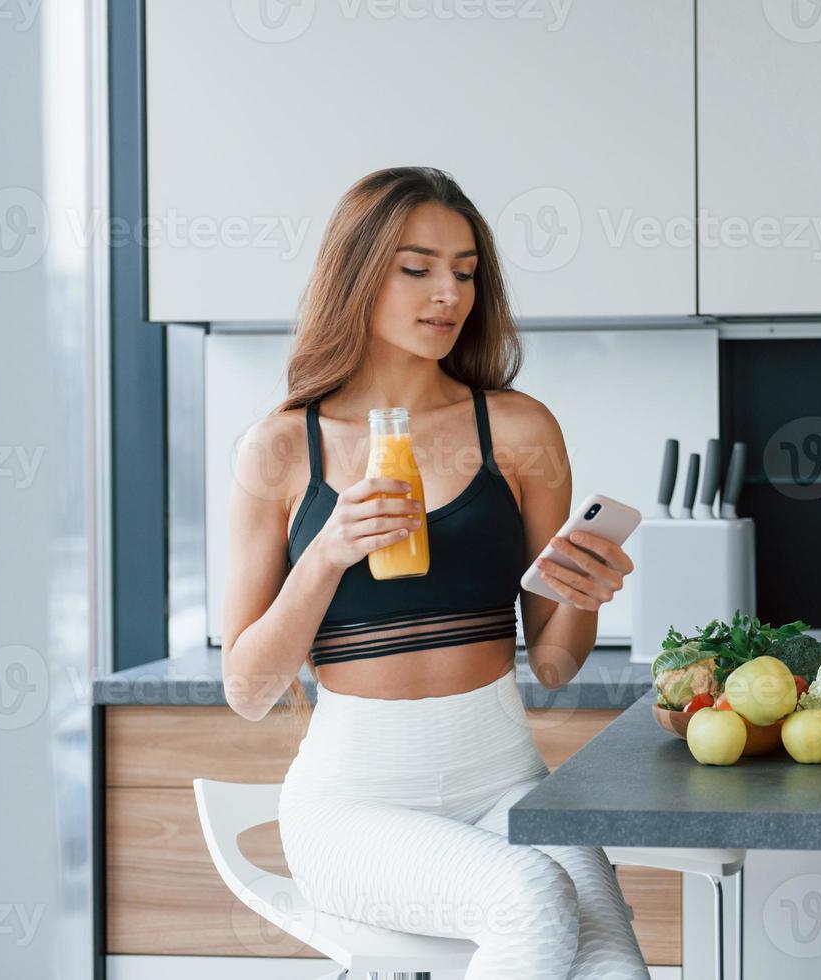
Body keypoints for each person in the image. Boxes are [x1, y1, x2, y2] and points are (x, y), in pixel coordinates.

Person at [220, 167, 649, 979]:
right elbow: (247, 691)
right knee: (530, 896)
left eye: (464, 270)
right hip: (352, 809)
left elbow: (552, 663)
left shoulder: (519, 431)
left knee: (613, 968)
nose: (447, 292)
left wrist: (583, 595)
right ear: (356, 274)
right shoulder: (281, 448)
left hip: (507, 782)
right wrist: (327, 551)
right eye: (416, 268)